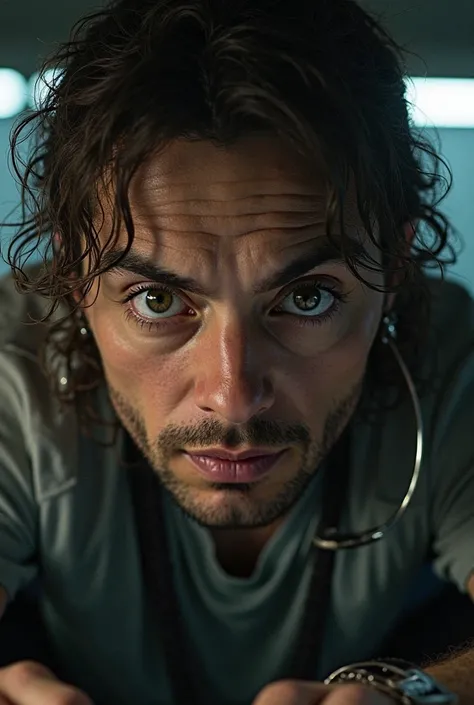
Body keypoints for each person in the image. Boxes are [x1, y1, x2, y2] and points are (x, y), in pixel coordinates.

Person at [0, 0, 474, 702]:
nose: (233, 396)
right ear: (75, 279)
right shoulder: (12, 358)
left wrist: (417, 695)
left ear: (395, 269)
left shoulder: (450, 360)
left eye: (307, 297)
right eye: (157, 301)